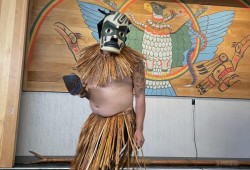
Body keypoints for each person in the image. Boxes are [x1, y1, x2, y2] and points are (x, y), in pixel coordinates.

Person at [66, 11, 146, 170]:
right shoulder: (90, 56)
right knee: (86, 163)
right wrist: (83, 92)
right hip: (95, 122)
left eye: (121, 32)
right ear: (102, 29)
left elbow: (140, 96)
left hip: (120, 121)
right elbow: (91, 88)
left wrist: (139, 129)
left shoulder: (133, 61)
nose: (116, 35)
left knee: (101, 165)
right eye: (110, 30)